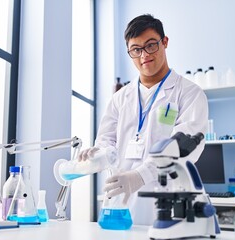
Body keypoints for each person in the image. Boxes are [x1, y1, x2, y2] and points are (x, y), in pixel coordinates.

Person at [78, 14, 208, 225]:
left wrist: (140, 176)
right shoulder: (120, 98)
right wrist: (100, 154)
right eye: (136, 50)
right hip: (121, 203)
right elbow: (106, 140)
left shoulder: (189, 93)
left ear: (164, 42)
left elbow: (187, 148)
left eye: (150, 46)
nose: (143, 55)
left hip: (166, 199)